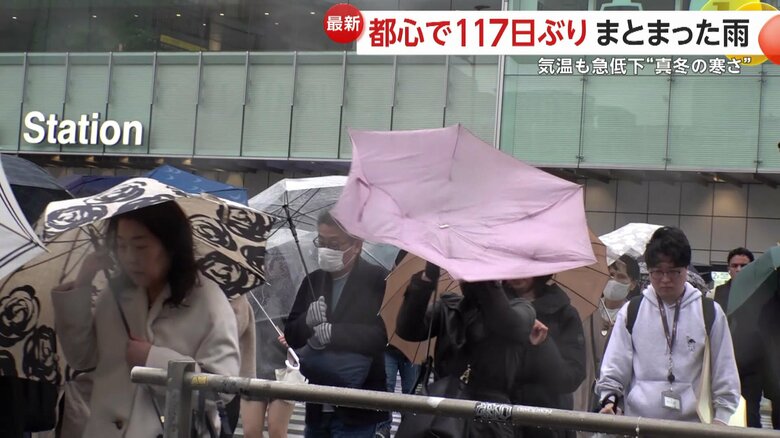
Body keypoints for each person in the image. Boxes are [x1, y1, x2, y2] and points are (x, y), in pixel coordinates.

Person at [51, 201, 240, 438]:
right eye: (121, 245)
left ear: (171, 245)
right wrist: (84, 280)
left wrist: (152, 360)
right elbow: (82, 358)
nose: (129, 257)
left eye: (140, 246)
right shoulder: (116, 295)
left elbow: (221, 389)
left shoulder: (208, 300)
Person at [596, 227, 740, 425]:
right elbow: (614, 366)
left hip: (692, 426)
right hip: (638, 424)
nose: (665, 279)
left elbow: (725, 371)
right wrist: (610, 400)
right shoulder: (632, 311)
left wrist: (721, 419)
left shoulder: (709, 313)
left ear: (686, 269)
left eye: (673, 272)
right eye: (657, 272)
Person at [396, 262, 544, 438]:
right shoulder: (450, 307)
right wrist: (426, 281)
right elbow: (408, 330)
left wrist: (484, 278)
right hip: (445, 411)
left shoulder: (522, 309)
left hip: (489, 420)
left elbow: (505, 322)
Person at [284, 211, 389, 438]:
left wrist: (335, 333)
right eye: (321, 242)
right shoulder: (313, 280)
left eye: (334, 244)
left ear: (357, 245)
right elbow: (291, 334)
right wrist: (307, 321)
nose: (326, 249)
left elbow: (383, 336)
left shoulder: (377, 279)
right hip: (318, 404)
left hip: (359, 406)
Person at [506, 275, 586, 438]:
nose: (517, 274)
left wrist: (543, 343)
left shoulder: (563, 313)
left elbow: (571, 377)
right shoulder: (493, 310)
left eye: (525, 267)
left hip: (547, 423)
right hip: (499, 421)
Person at [574, 255, 640, 419]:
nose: (613, 281)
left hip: (616, 399)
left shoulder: (632, 316)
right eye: (610, 275)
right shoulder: (586, 311)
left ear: (632, 284)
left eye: (621, 277)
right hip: (582, 391)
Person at [242, 308, 295, 438]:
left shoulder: (290, 297)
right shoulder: (246, 299)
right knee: (250, 432)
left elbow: (304, 325)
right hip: (252, 368)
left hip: (283, 370)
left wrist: (294, 338)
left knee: (277, 431)